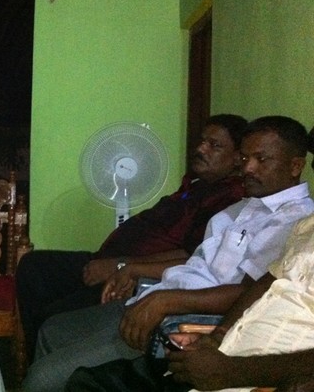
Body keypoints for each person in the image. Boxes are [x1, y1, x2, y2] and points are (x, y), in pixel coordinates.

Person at [23, 116, 314, 392]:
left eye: (261, 159)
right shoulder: (244, 207)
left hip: (181, 319)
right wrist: (135, 273)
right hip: (157, 294)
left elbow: (249, 292)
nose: (248, 168)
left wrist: (165, 301)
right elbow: (196, 261)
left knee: (43, 378)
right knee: (52, 331)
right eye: (245, 158)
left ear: (295, 166)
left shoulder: (293, 222)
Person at [17, 114, 248, 357]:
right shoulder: (196, 186)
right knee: (34, 266)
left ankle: (47, 362)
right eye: (202, 141)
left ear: (237, 158)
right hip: (111, 261)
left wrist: (121, 266)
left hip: (135, 277)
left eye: (214, 145)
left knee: (53, 319)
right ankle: (34, 359)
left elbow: (191, 256)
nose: (201, 149)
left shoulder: (227, 199)